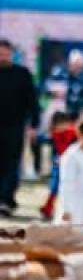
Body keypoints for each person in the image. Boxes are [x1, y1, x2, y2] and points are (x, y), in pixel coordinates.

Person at [0, 39, 39, 216]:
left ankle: (6, 200)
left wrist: (34, 124)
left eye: (6, 53)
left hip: (14, 127)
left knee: (12, 164)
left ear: (11, 54)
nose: (3, 57)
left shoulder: (22, 74)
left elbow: (32, 101)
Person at [39, 111, 78, 220]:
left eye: (63, 123)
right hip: (58, 165)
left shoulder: (74, 133)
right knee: (54, 188)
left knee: (70, 188)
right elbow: (42, 139)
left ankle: (70, 210)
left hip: (71, 166)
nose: (61, 127)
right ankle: (47, 208)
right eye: (58, 125)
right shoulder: (54, 135)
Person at [47, 49, 83, 118]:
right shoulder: (59, 72)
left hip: (77, 113)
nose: (78, 69)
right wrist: (53, 92)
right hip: (58, 111)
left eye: (80, 67)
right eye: (75, 65)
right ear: (69, 63)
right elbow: (46, 87)